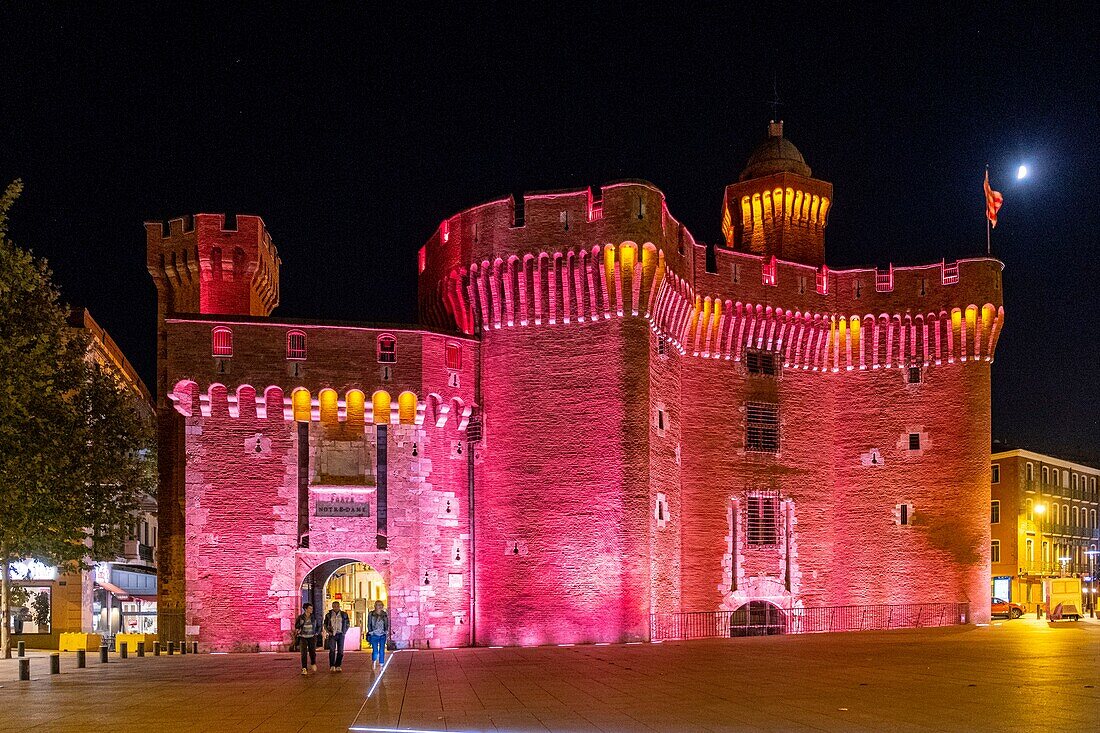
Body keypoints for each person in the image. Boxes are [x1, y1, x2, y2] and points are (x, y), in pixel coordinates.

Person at [323, 601, 350, 672]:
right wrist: (328, 632)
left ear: (339, 606)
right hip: (333, 634)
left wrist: (344, 631)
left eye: (337, 606)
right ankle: (332, 665)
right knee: (332, 650)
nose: (335, 608)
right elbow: (325, 624)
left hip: (341, 634)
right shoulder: (329, 615)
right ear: (332, 606)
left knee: (340, 651)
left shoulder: (344, 614)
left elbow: (347, 623)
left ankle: (338, 665)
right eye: (334, 606)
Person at [295, 603, 318, 675]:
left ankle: (313, 663)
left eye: (311, 608)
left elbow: (318, 625)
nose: (311, 610)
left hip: (311, 636)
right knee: (303, 653)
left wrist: (317, 632)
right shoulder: (301, 617)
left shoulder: (313, 617)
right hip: (303, 637)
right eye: (310, 608)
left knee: (312, 652)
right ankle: (304, 668)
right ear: (305, 609)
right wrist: (300, 624)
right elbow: (296, 626)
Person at [366, 600, 389, 670]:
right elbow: (369, 623)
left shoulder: (384, 614)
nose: (379, 606)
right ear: (375, 606)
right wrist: (371, 631)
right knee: (375, 650)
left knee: (382, 649)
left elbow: (386, 623)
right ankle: (374, 660)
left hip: (382, 634)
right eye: (378, 605)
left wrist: (386, 631)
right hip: (374, 634)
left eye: (381, 605)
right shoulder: (371, 614)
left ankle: (381, 663)